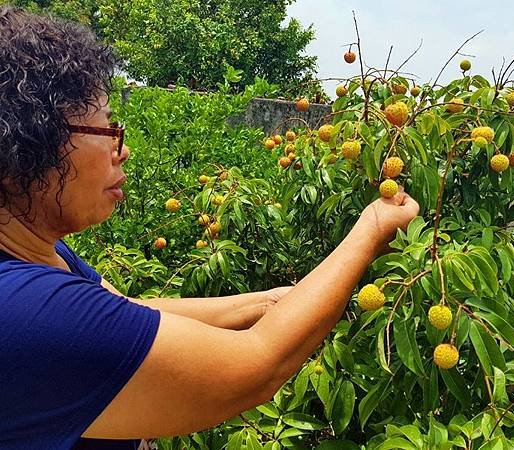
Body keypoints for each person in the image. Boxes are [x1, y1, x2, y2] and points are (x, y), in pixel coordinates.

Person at [0, 6, 420, 450]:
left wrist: (269, 301)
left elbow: (125, 309)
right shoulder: (25, 312)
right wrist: (371, 230)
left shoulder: (41, 254)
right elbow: (255, 366)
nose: (122, 150)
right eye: (107, 130)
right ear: (21, 150)